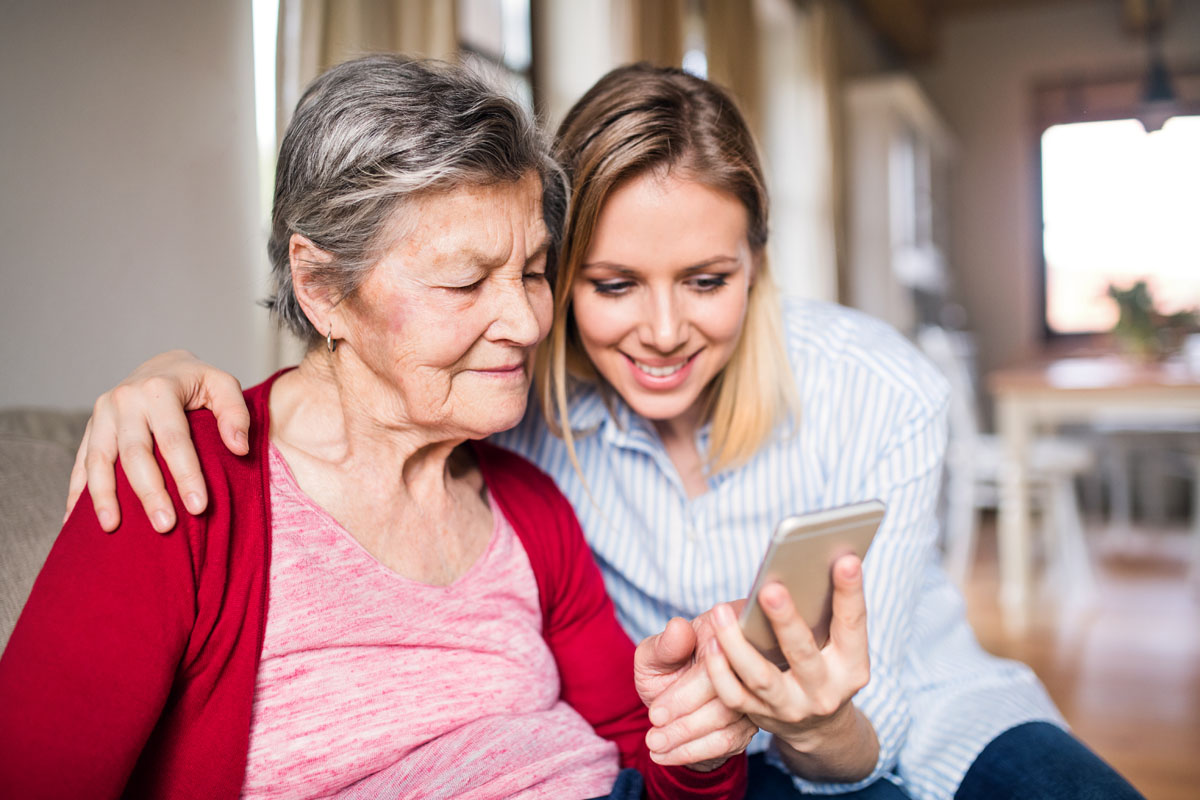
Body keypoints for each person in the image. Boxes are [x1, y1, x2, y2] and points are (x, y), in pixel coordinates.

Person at [61, 63, 1145, 800]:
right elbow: (350, 385)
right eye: (609, 282)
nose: (663, 331)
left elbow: (846, 715)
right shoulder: (502, 407)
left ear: (758, 264)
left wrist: (768, 733)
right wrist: (162, 376)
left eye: (710, 278)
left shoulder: (870, 390)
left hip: (886, 730)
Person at [0, 56, 753, 800]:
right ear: (322, 286)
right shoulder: (179, 487)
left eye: (532, 271)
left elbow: (650, 763)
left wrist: (700, 746)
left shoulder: (530, 504)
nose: (527, 322)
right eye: (464, 282)